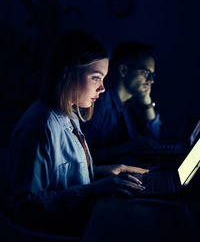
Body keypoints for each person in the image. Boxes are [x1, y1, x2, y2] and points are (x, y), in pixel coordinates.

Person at [5, 30, 148, 237]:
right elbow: (26, 206)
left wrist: (107, 171)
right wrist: (96, 189)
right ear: (67, 74)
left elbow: (64, 176)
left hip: (81, 222)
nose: (102, 89)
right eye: (96, 78)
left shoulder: (69, 115)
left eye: (103, 79)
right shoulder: (41, 125)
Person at [81, 41, 162, 166]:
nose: (151, 81)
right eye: (146, 73)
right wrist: (127, 147)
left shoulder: (131, 103)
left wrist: (146, 99)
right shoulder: (99, 102)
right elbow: (83, 157)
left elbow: (154, 140)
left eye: (152, 75)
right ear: (123, 70)